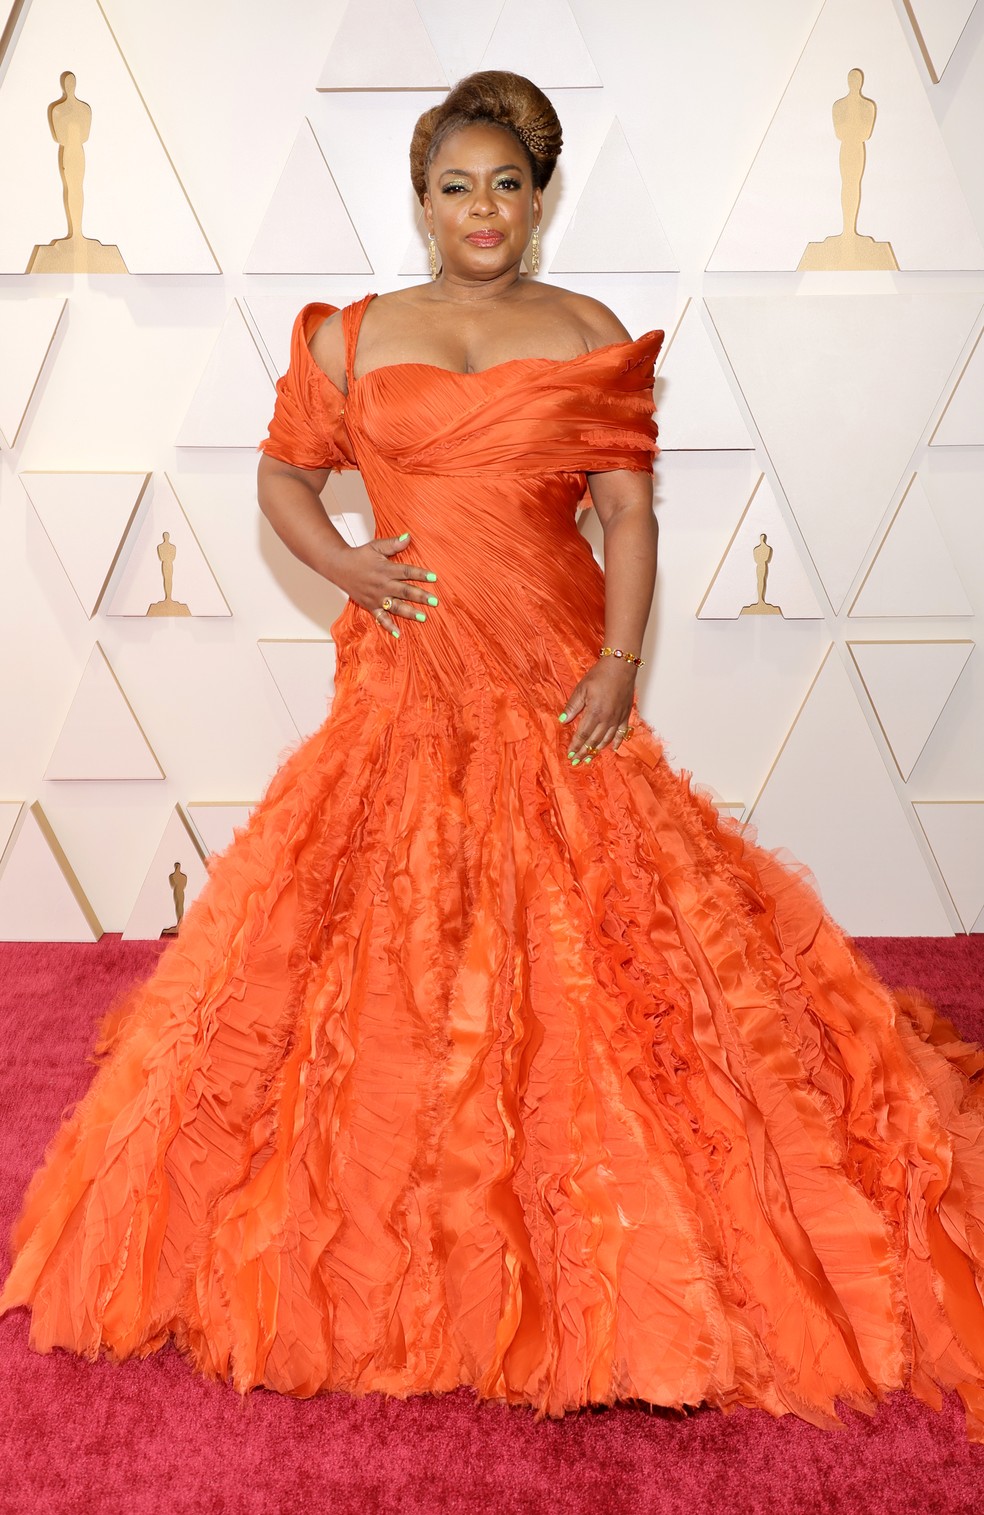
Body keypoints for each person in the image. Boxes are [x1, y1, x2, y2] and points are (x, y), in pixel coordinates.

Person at [2, 70, 984, 1446]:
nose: (482, 208)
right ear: (421, 201)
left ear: (540, 199)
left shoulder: (585, 334)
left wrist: (620, 664)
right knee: (357, 958)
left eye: (507, 184)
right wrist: (347, 561)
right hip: (407, 677)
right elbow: (282, 477)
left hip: (550, 675)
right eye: (456, 185)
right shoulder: (349, 338)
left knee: (619, 961)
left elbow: (629, 521)